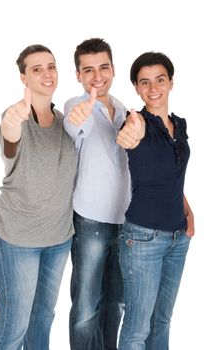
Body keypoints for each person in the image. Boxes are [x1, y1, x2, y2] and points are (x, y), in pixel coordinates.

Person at [0, 44, 77, 350]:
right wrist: (11, 122)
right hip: (18, 240)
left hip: (58, 238)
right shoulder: (16, 117)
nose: (46, 74)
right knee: (15, 324)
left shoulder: (66, 122)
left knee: (42, 319)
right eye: (36, 69)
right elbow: (10, 139)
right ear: (23, 78)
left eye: (51, 66)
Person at [116, 51, 195, 350]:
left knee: (162, 321)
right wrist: (127, 135)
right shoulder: (137, 123)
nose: (153, 88)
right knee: (137, 328)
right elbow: (127, 137)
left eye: (160, 80)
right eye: (144, 82)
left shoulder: (179, 126)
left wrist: (188, 209)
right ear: (136, 87)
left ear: (171, 82)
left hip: (178, 237)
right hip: (143, 238)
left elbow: (171, 176)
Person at [63, 38, 131, 350]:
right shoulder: (76, 107)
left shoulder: (125, 111)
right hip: (90, 220)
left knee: (115, 304)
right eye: (88, 70)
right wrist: (79, 117)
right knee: (85, 308)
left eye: (103, 67)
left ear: (113, 69)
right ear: (78, 75)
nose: (97, 76)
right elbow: (75, 125)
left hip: (126, 221)